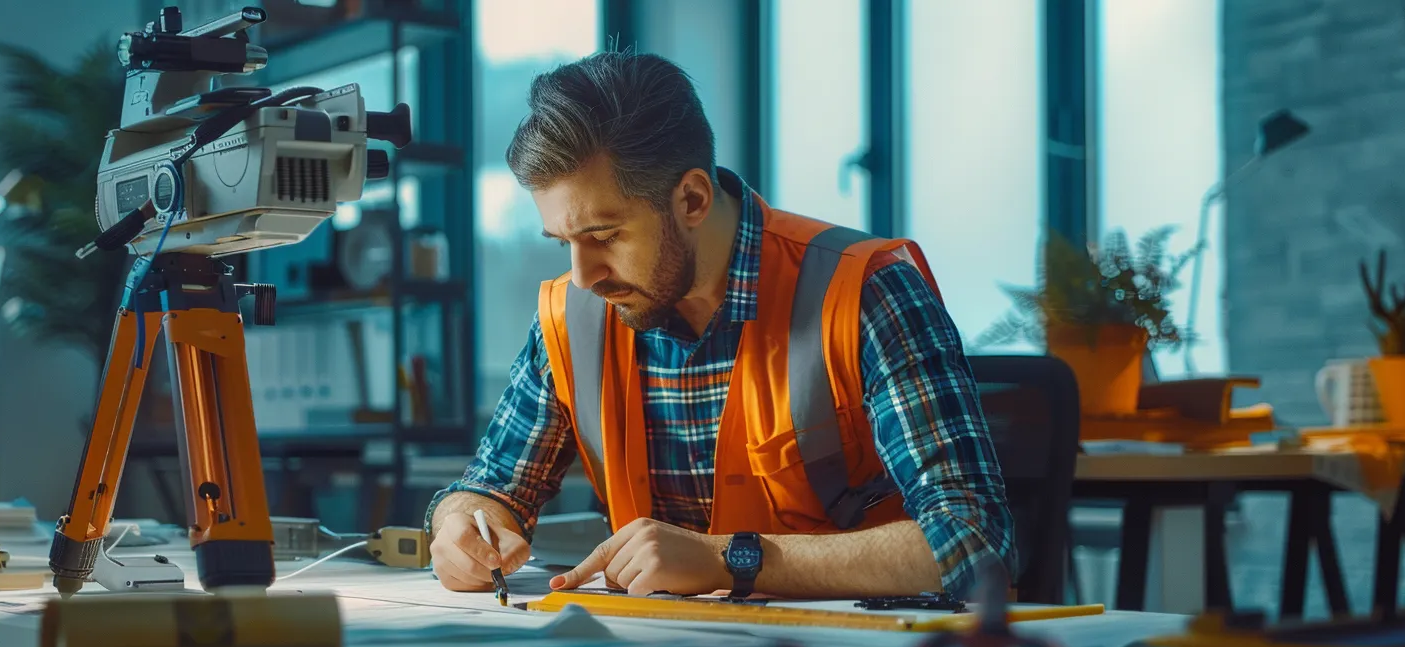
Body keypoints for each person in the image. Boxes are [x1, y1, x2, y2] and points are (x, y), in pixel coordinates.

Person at [425, 51, 1015, 600]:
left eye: (604, 237)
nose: (582, 276)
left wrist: (731, 560)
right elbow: (493, 488)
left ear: (692, 199)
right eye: (564, 242)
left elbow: (975, 542)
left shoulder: (864, 291)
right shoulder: (574, 317)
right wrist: (462, 524)